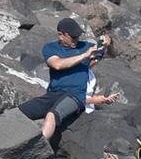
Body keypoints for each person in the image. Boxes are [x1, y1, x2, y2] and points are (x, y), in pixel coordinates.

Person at [20, 16, 116, 144]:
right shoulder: (50, 48)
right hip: (53, 94)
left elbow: (112, 54)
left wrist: (108, 44)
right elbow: (57, 64)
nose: (77, 40)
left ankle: (38, 146)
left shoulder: (86, 46)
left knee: (52, 115)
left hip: (75, 96)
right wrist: (84, 55)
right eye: (73, 37)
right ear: (61, 35)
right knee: (19, 113)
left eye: (78, 36)